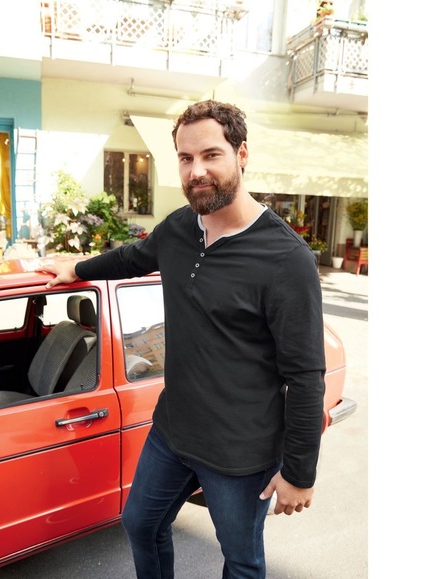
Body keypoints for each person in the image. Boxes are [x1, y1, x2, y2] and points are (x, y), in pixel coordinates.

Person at [43, 100, 325, 578]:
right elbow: (132, 258)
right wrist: (77, 267)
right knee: (141, 523)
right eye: (185, 158)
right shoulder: (179, 227)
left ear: (241, 154)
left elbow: (305, 376)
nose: (197, 171)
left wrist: (299, 473)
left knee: (241, 560)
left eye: (211, 155)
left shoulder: (285, 259)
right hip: (173, 430)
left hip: (240, 452)